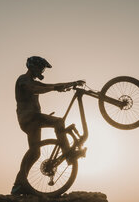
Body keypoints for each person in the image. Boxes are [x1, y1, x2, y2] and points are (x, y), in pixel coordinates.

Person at [11, 56, 85, 195]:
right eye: (41, 68)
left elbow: (51, 85)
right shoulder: (23, 79)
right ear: (33, 67)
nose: (42, 71)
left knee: (35, 152)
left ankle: (19, 185)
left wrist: (72, 83)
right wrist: (54, 88)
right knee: (58, 122)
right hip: (29, 118)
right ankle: (68, 155)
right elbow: (33, 89)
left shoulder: (32, 81)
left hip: (31, 120)